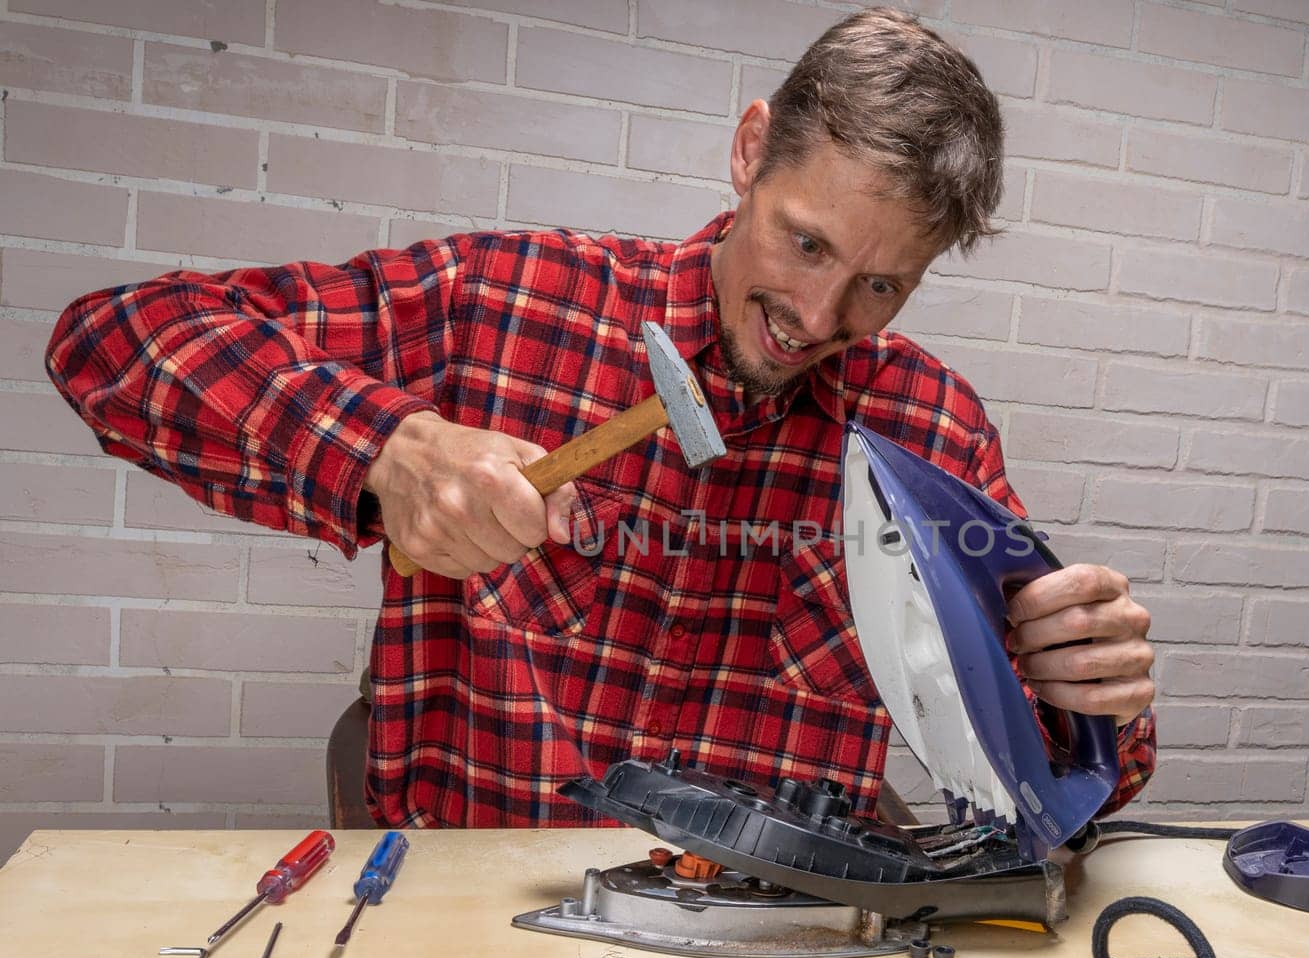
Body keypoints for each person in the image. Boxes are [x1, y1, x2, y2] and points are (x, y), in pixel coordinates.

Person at [47, 8, 1156, 830]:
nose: (817, 318)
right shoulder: (504, 302)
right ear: (749, 150)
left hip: (766, 950)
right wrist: (381, 449)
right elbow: (113, 339)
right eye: (806, 243)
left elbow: (1061, 780)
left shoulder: (930, 431)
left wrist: (1080, 694)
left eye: (881, 286)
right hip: (469, 927)